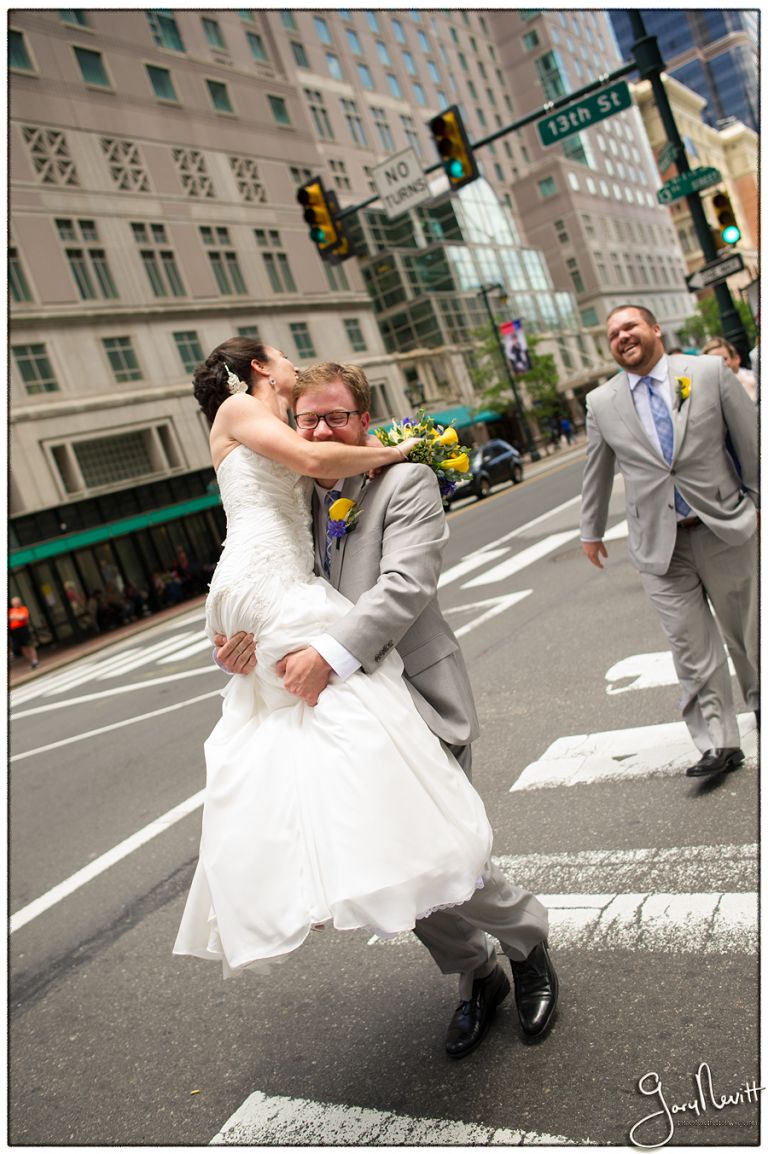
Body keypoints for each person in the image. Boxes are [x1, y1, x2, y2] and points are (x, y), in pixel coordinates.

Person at [212, 355, 558, 1058]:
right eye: (309, 419)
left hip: (414, 693)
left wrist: (327, 656)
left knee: (440, 844)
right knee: (392, 856)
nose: (321, 428)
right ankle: (475, 975)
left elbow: (403, 586)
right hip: (342, 708)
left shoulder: (405, 481)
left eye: (337, 416)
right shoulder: (298, 495)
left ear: (362, 422)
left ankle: (527, 945)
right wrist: (241, 645)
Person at [580, 305, 759, 779]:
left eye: (630, 326)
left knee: (749, 635)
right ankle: (719, 743)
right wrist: (591, 529)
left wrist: (758, 503)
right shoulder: (601, 402)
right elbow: (596, 469)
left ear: (655, 329)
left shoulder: (707, 372)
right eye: (613, 333)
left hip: (723, 526)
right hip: (660, 545)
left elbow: (750, 441)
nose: (622, 336)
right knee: (690, 648)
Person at [701, 336, 757, 403]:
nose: (719, 365)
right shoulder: (707, 394)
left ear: (736, 358)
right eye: (713, 361)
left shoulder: (755, 379)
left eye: (724, 359)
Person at [8, 596, 38, 669]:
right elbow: (10, 618)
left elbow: (23, 617)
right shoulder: (11, 611)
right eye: (14, 602)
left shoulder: (23, 609)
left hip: (23, 629)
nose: (16, 603)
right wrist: (16, 616)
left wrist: (15, 617)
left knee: (29, 645)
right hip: (15, 631)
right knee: (23, 647)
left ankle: (35, 660)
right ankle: (31, 662)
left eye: (17, 602)